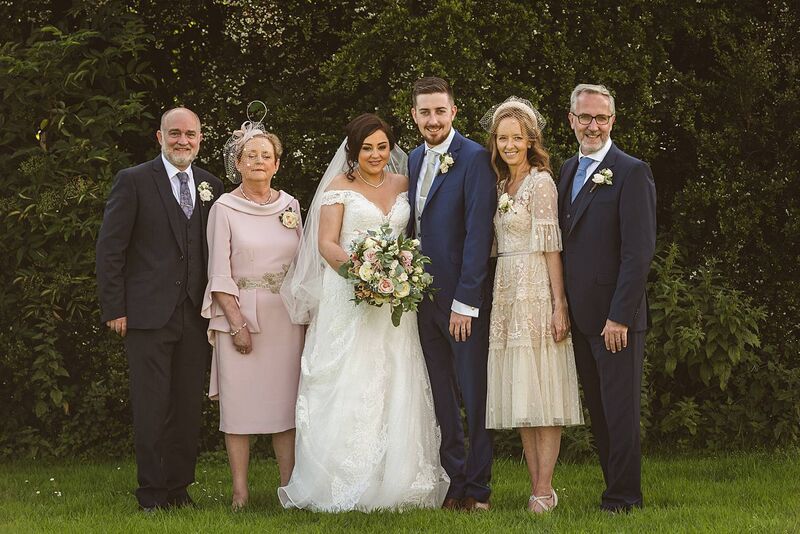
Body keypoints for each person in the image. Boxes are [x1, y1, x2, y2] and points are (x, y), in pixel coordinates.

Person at [278, 113, 449, 511]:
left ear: (392, 149)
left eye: (382, 147)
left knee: (395, 377)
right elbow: (327, 243)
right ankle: (340, 482)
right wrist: (364, 277)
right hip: (349, 297)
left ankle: (401, 479)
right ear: (353, 151)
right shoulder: (339, 187)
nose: (375, 154)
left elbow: (412, 237)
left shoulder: (404, 184)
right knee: (349, 380)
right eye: (366, 148)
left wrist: (395, 276)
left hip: (396, 301)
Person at [96, 107, 224, 511]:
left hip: (194, 313)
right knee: (151, 406)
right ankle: (150, 493)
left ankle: (178, 487)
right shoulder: (133, 181)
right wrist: (115, 307)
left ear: (200, 137)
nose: (183, 140)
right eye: (175, 133)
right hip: (147, 315)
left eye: (191, 133)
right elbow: (110, 249)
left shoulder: (211, 186)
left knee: (187, 406)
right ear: (160, 137)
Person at [480, 97, 584, 513]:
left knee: (544, 391)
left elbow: (551, 246)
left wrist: (560, 304)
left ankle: (545, 487)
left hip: (537, 291)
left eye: (516, 138)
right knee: (522, 394)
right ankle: (534, 485)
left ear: (529, 140)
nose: (508, 145)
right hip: (506, 293)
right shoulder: (499, 185)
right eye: (502, 138)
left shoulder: (542, 183)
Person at [557, 84, 656, 513]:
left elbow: (639, 252)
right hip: (581, 317)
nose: (592, 125)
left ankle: (624, 497)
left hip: (616, 320)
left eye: (601, 118)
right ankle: (612, 487)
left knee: (620, 413)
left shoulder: (631, 171)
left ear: (612, 121)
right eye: (585, 117)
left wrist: (619, 316)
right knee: (599, 411)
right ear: (571, 121)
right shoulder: (565, 170)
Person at [201, 115, 304, 511]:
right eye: (250, 155)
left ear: (276, 164)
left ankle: (287, 487)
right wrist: (236, 323)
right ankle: (240, 491)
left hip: (286, 317)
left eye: (266, 155)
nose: (258, 161)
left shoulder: (291, 205)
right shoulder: (224, 208)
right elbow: (219, 272)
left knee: (285, 406)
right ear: (238, 163)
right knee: (240, 406)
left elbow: (304, 265)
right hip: (240, 315)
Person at [407, 77, 497, 511]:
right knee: (440, 394)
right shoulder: (409, 160)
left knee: (473, 393)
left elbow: (479, 235)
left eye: (440, 111)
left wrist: (466, 302)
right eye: (425, 112)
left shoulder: (475, 158)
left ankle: (478, 488)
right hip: (419, 299)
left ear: (453, 112)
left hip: (461, 302)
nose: (433, 119)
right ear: (414, 116)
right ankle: (453, 481)